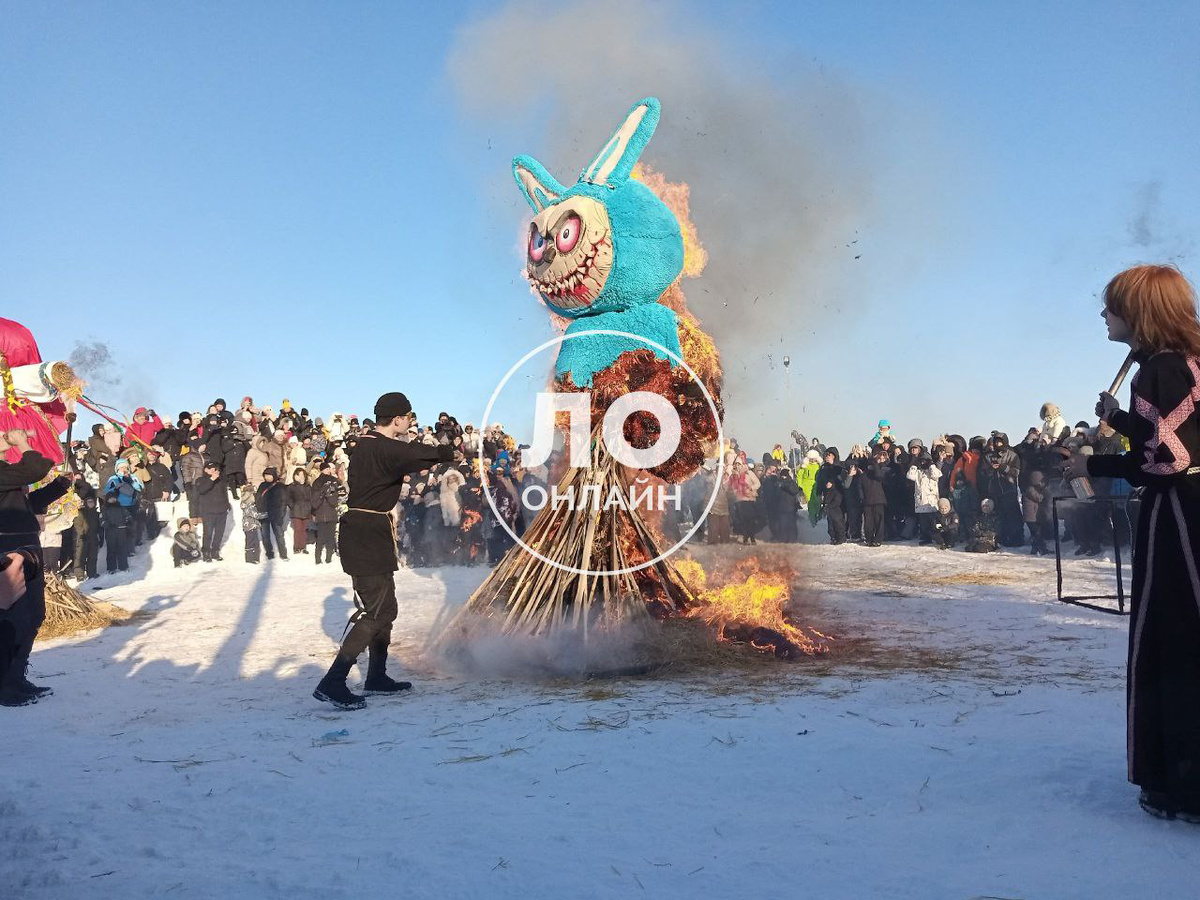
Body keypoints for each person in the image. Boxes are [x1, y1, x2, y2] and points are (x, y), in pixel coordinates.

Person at [1065, 263, 1200, 822]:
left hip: (1179, 518)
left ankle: (1182, 785)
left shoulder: (1162, 369)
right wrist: (1121, 418)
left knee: (1174, 640)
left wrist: (1091, 463)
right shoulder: (1183, 364)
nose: (1104, 314)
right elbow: (1173, 436)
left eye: (1113, 306)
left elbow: (1167, 460)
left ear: (1139, 312)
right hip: (1189, 508)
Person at [314, 392, 451, 710]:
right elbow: (420, 455)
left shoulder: (369, 445)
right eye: (409, 417)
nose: (411, 423)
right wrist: (451, 450)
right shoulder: (382, 446)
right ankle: (333, 681)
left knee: (385, 609)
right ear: (398, 419)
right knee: (378, 611)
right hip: (366, 533)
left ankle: (376, 675)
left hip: (369, 531)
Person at [0, 429, 69, 706]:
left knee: (33, 616)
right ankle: (5, 686)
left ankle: (16, 678)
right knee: (13, 620)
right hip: (7, 553)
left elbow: (28, 505)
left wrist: (59, 487)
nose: (4, 434)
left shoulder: (6, 472)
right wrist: (23, 442)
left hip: (27, 548)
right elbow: (36, 467)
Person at [195, 460, 229, 562]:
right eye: (211, 469)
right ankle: (206, 552)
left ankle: (215, 551)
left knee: (219, 533)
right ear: (205, 469)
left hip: (221, 511)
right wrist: (211, 479)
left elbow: (224, 493)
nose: (214, 471)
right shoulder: (200, 480)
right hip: (208, 512)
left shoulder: (221, 480)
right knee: (208, 533)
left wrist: (226, 505)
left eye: (215, 469)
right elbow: (201, 490)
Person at [311, 459, 341, 564]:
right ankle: (318, 559)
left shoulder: (334, 481)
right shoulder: (317, 482)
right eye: (326, 469)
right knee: (321, 537)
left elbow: (336, 499)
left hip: (331, 513)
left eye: (329, 468)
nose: (328, 470)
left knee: (330, 537)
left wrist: (329, 495)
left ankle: (328, 558)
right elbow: (314, 500)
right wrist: (322, 493)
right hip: (321, 513)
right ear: (321, 470)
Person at [255, 467, 289, 560]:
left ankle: (283, 554)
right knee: (265, 535)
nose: (267, 477)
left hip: (276, 514)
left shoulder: (280, 486)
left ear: (274, 475)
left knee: (279, 535)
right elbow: (258, 498)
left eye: (269, 475)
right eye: (265, 475)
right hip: (264, 514)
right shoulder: (262, 485)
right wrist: (259, 509)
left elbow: (283, 502)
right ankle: (269, 553)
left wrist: (281, 515)